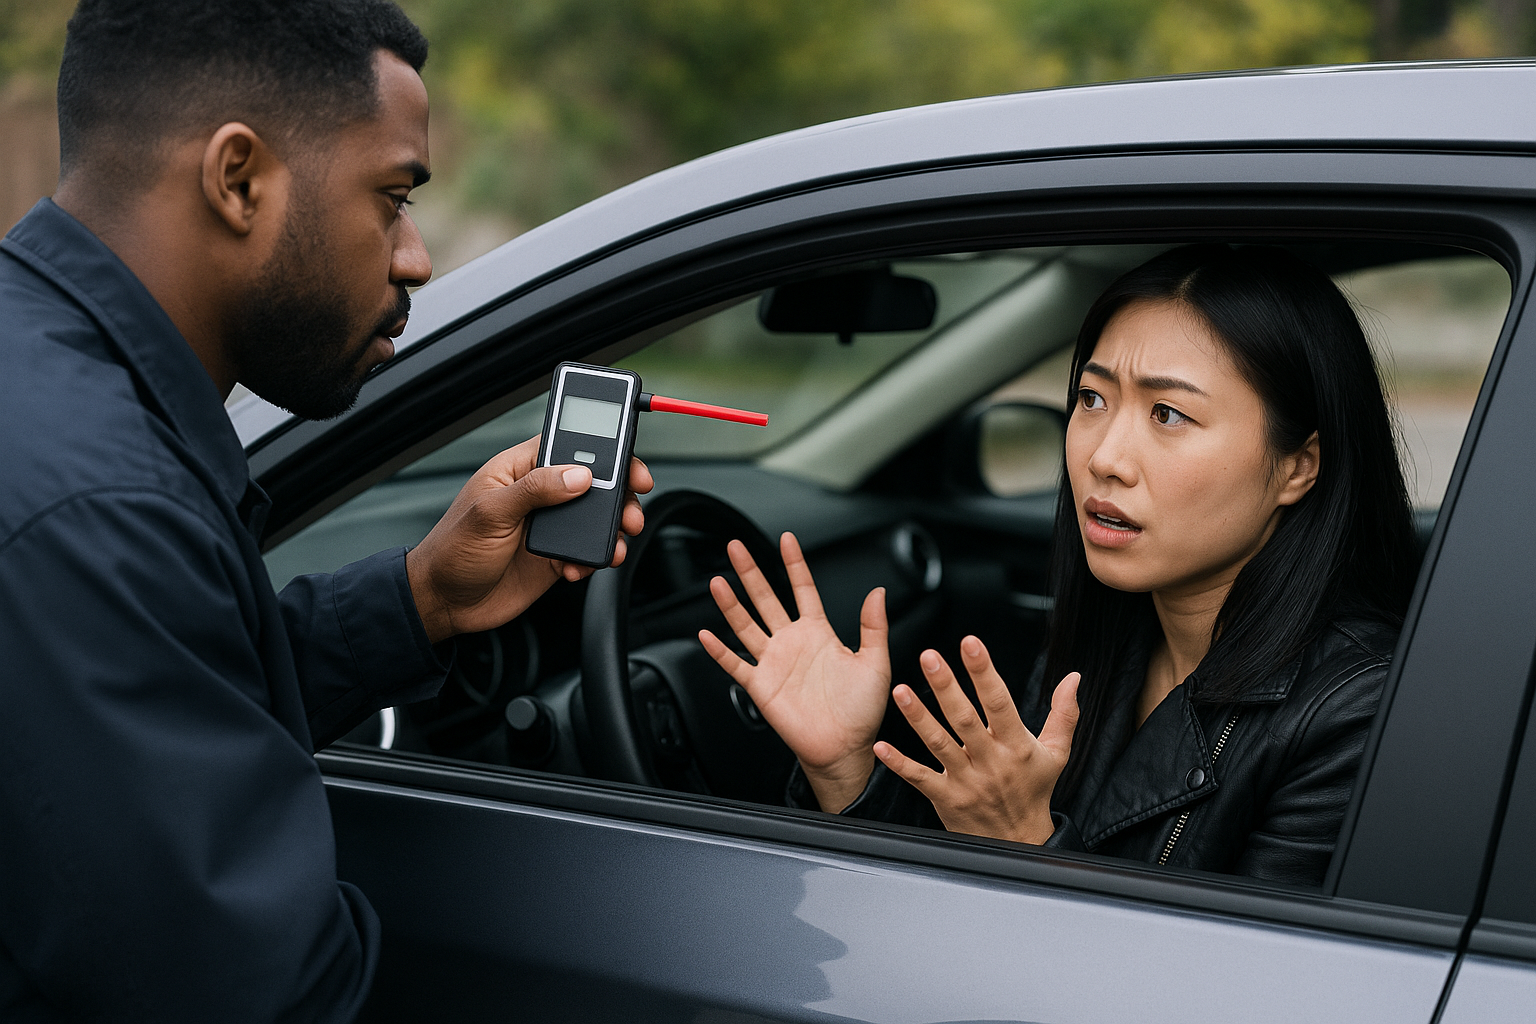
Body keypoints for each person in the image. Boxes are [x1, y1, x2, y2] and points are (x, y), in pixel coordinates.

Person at [0, 1, 650, 1020]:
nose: (416, 257)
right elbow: (258, 1001)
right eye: (392, 197)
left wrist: (423, 597)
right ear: (238, 178)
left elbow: (173, 697)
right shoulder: (99, 511)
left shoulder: (43, 384)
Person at [701, 244, 1417, 888]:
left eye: (1168, 414)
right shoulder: (1108, 634)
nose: (1103, 456)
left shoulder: (1355, 715)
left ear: (1297, 467)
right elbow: (931, 918)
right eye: (1091, 398)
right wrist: (846, 769)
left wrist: (1028, 847)